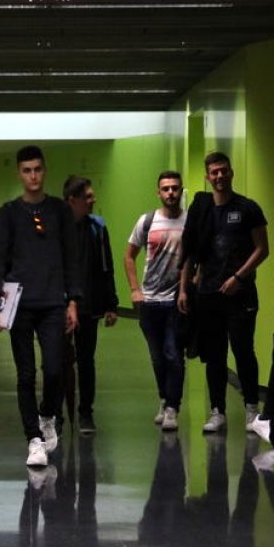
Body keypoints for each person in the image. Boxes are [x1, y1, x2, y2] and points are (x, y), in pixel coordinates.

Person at [0, 145, 82, 468]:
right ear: (19, 173)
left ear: (45, 170)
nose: (33, 176)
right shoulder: (8, 213)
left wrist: (73, 301)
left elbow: (71, 258)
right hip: (19, 303)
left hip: (54, 301)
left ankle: (48, 416)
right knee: (25, 374)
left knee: (55, 369)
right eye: (27, 170)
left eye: (38, 169)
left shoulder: (59, 211)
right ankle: (34, 439)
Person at [178, 152, 270, 434]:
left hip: (239, 293)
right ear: (208, 177)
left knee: (243, 351)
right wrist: (184, 289)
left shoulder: (247, 208)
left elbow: (262, 248)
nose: (219, 176)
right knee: (214, 355)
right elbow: (190, 252)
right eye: (214, 172)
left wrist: (239, 276)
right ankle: (217, 411)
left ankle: (251, 409)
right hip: (207, 294)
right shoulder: (201, 210)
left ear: (231, 172)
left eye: (223, 171)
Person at [124, 171, 188, 431]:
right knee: (157, 357)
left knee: (174, 354)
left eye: (174, 188)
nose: (170, 193)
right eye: (165, 189)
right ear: (158, 193)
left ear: (181, 190)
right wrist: (134, 289)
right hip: (149, 301)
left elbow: (194, 258)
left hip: (176, 300)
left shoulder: (189, 222)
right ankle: (164, 399)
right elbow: (129, 256)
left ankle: (173, 406)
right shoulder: (147, 221)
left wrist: (186, 290)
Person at [62, 175, 119, 434]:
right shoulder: (56, 227)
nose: (93, 200)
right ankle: (56, 416)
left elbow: (107, 266)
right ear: (72, 201)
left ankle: (86, 413)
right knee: (59, 362)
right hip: (60, 306)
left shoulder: (97, 227)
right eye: (88, 197)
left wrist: (111, 303)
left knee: (86, 360)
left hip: (90, 305)